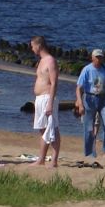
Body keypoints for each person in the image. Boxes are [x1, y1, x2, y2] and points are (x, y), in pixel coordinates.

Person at [75, 48, 105, 160]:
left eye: (100, 57)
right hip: (89, 98)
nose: (99, 59)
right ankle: (90, 153)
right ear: (92, 57)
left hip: (103, 98)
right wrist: (80, 103)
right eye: (97, 57)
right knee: (88, 128)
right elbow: (78, 88)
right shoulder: (87, 70)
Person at [29, 36, 60, 168]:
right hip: (40, 98)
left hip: (48, 97)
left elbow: (54, 83)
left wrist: (50, 103)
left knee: (52, 128)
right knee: (42, 129)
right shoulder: (41, 61)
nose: (32, 49)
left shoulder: (50, 61)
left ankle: (54, 160)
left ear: (39, 45)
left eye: (32, 46)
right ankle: (41, 159)